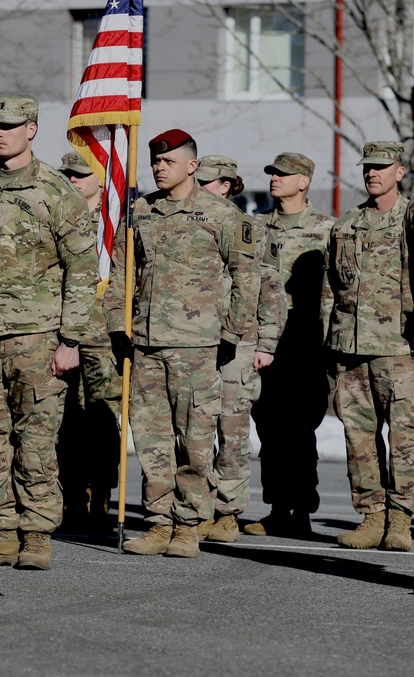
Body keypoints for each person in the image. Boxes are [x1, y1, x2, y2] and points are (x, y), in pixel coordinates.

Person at [0, 96, 98, 571]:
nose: (0, 133)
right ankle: (3, 529)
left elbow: (82, 268)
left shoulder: (56, 191)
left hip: (37, 338)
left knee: (35, 439)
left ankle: (36, 534)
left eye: (11, 126)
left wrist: (71, 339)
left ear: (32, 129)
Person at [105, 130, 258, 559]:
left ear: (192, 166)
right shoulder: (140, 212)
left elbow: (247, 277)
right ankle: (157, 522)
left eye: (168, 161)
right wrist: (118, 325)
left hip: (198, 345)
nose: (158, 167)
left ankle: (189, 525)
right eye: (155, 161)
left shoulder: (224, 215)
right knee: (151, 439)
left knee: (193, 438)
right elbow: (121, 271)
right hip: (147, 343)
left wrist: (233, 332)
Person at [194, 156, 286, 543]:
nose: (203, 189)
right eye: (200, 182)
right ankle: (197, 507)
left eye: (211, 183)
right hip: (194, 342)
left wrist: (266, 343)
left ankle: (228, 511)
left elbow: (270, 288)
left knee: (232, 431)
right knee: (195, 431)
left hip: (240, 344)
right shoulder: (189, 224)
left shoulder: (253, 229)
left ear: (229, 186)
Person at [245, 152, 334, 538]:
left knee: (301, 425)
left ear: (304, 182)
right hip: (263, 335)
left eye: (284, 174)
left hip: (305, 335)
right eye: (273, 174)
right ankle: (278, 507)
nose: (275, 179)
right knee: (269, 425)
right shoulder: (256, 227)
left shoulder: (328, 229)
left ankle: (303, 510)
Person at [332, 142, 414, 550]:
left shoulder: (409, 220)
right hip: (351, 346)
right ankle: (372, 515)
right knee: (358, 435)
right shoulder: (345, 225)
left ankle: (401, 518)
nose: (373, 173)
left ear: (399, 171)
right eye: (368, 167)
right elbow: (333, 288)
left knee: (404, 436)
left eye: (382, 167)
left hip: (399, 347)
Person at [56, 151, 122, 533]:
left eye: (81, 174)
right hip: (62, 336)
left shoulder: (115, 226)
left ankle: (101, 496)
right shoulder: (61, 220)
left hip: (101, 338)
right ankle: (71, 497)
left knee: (101, 422)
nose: (72, 180)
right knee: (65, 423)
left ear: (102, 180)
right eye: (68, 174)